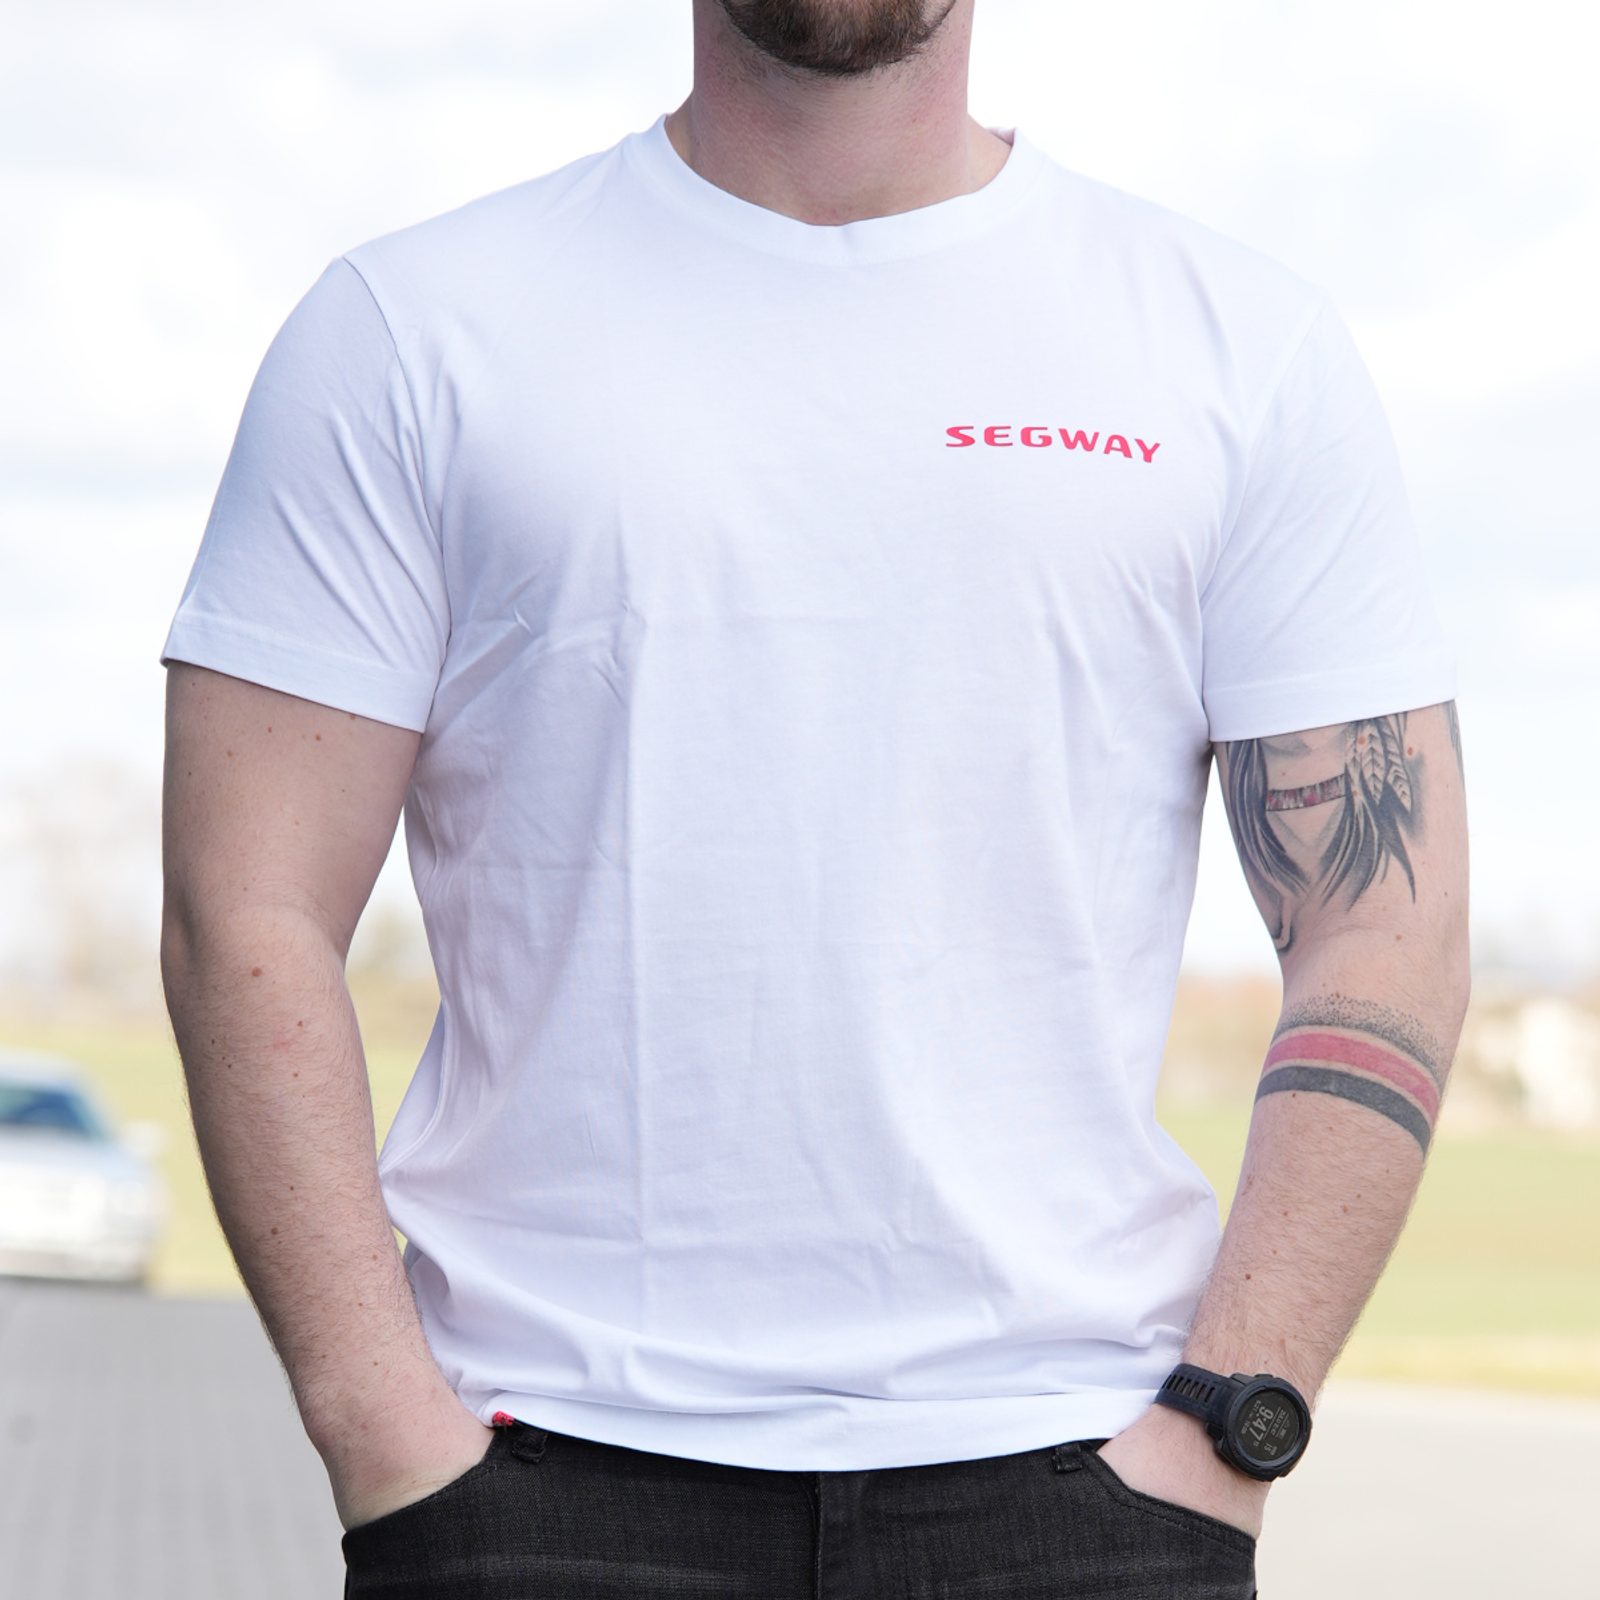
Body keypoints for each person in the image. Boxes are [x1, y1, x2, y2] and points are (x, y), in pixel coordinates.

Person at [158, 2, 1469, 1595]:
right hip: (538, 1477)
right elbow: (248, 908)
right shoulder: (410, 331)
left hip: (1081, 1495)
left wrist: (1225, 1430)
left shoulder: (1238, 346)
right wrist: (384, 1437)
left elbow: (1381, 923)